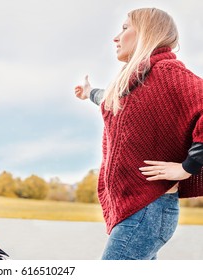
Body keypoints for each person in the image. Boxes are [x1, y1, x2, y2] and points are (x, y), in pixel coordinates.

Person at [74, 8, 203, 259]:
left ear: (145, 32)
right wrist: (89, 92)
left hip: (149, 208)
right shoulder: (135, 82)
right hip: (138, 209)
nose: (116, 37)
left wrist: (187, 166)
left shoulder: (168, 73)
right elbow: (111, 100)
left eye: (124, 28)